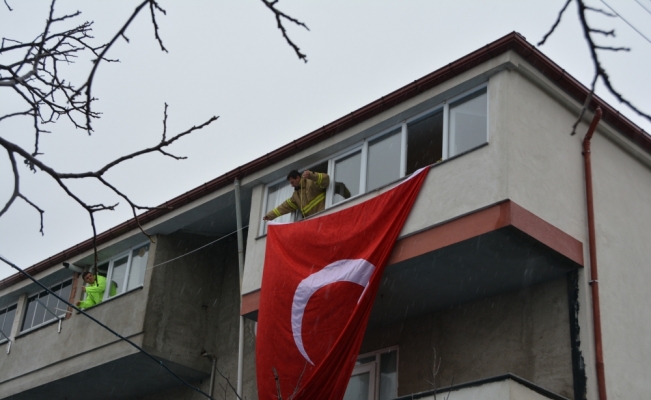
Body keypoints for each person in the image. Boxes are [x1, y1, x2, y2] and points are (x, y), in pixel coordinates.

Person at [263, 169, 330, 221]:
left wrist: (311, 175)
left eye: (292, 182)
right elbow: (284, 207)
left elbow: (326, 179)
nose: (292, 185)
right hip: (313, 222)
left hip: (324, 216)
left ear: (298, 178)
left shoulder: (311, 183)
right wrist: (270, 216)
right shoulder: (296, 196)